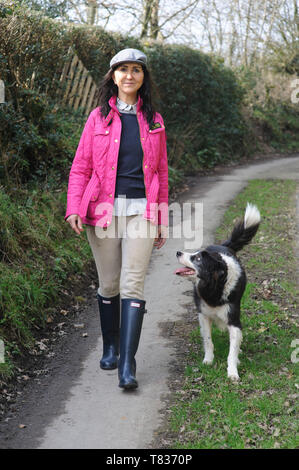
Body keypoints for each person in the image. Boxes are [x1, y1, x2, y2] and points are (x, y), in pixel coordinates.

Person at [65, 48, 168, 390]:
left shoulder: (154, 120)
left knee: (132, 285)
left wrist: (162, 217)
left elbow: (162, 174)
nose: (129, 75)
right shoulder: (97, 118)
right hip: (102, 212)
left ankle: (128, 362)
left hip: (142, 211)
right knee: (109, 285)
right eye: (122, 69)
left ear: (143, 77)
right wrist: (75, 207)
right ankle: (110, 346)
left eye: (136, 70)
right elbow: (81, 166)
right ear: (112, 76)